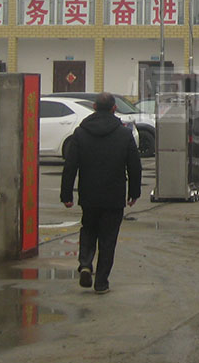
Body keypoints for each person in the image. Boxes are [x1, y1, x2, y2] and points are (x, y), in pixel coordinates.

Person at [60, 91, 142, 294]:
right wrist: (134, 192)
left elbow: (70, 166)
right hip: (114, 196)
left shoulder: (80, 133)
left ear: (94, 107)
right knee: (108, 239)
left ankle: (86, 263)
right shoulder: (124, 134)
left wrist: (67, 195)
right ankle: (102, 282)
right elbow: (135, 166)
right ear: (114, 108)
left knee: (88, 230)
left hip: (89, 194)